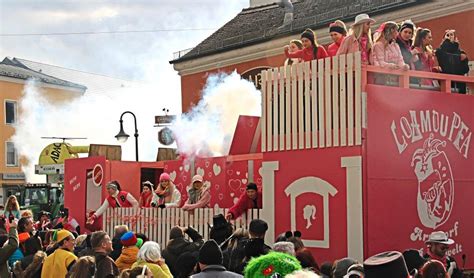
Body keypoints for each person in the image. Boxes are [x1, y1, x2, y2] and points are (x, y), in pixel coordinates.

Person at [436, 29, 470, 93]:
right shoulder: (440, 51)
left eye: (451, 35)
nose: (449, 37)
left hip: (459, 84)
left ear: (455, 37)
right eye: (447, 35)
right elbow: (444, 63)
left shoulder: (461, 52)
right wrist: (446, 42)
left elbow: (466, 69)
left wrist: (463, 60)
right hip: (446, 84)